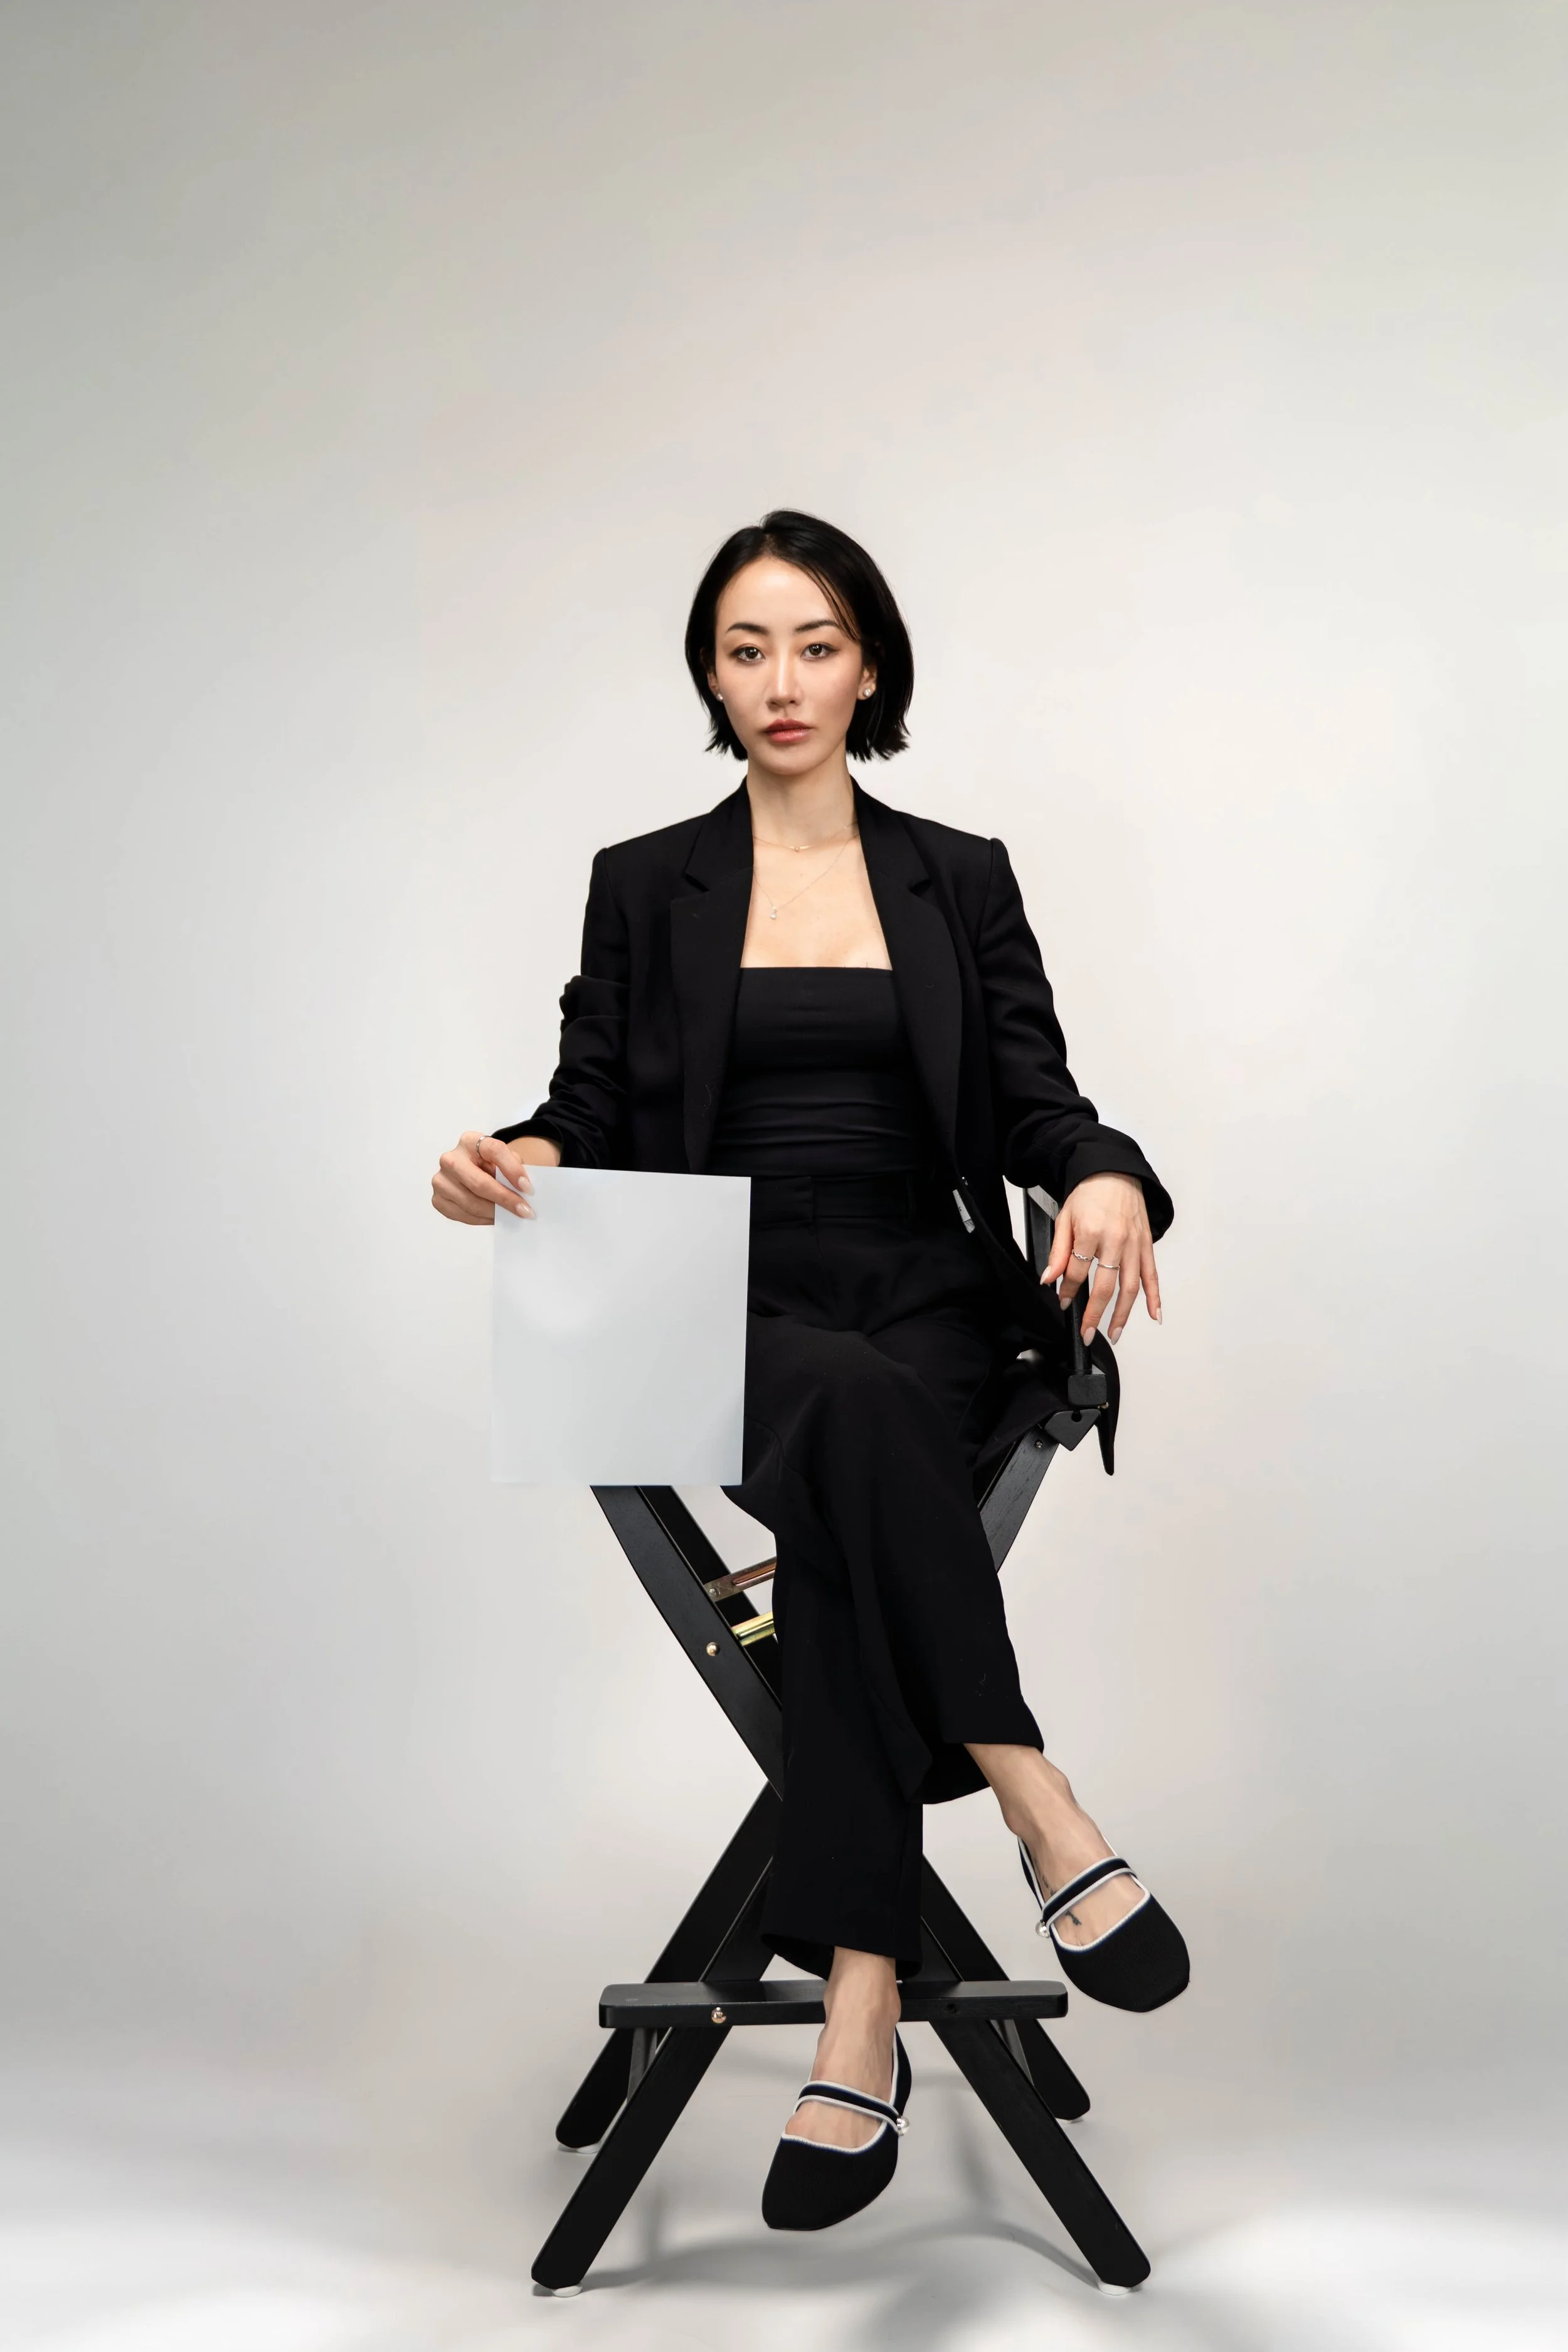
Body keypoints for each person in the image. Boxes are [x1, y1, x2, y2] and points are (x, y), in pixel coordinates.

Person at [431, 511, 1188, 2232]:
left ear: (869, 669)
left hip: (924, 1285)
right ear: (710, 676)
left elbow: (1037, 1098)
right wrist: (513, 1159)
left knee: (851, 1515)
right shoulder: (648, 881)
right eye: (746, 648)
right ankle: (1037, 1795)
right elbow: (589, 1108)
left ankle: (860, 2007)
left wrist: (1106, 1172)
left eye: (817, 644)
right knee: (853, 1417)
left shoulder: (958, 874)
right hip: (723, 1296)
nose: (782, 680)